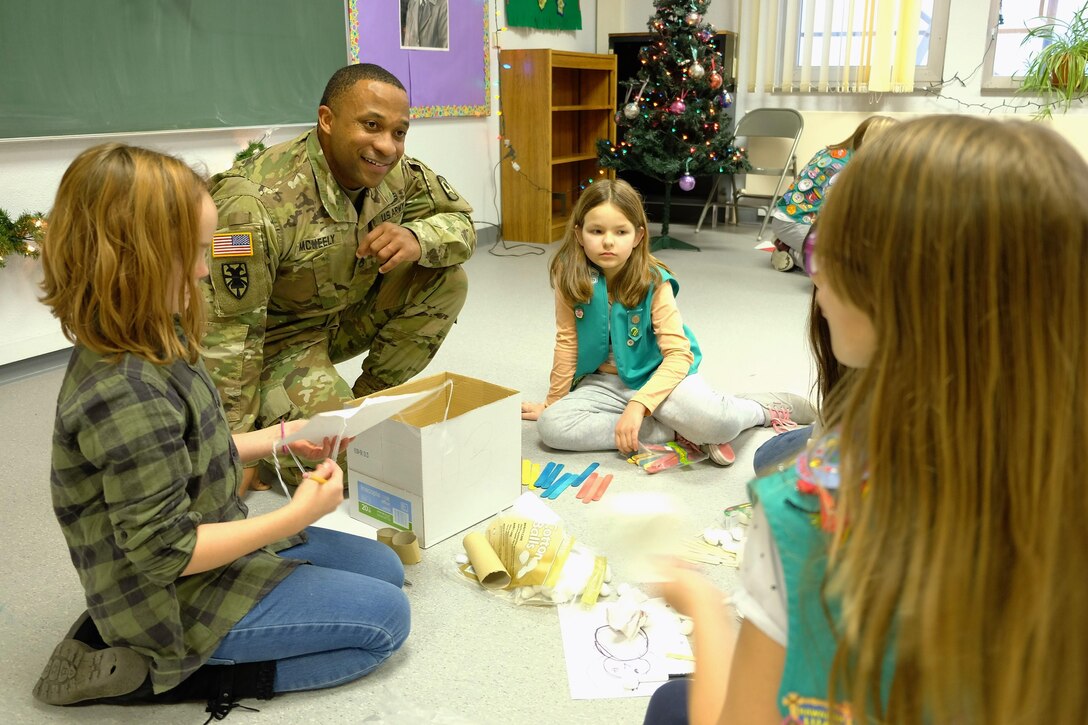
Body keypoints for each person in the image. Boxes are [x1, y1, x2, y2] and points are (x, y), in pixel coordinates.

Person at [644, 115, 1088, 724]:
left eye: (823, 250)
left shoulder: (809, 517)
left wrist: (701, 607)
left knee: (672, 702)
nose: (813, 276)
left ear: (897, 289)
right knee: (783, 449)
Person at [34, 144, 411, 711]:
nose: (207, 269)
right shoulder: (123, 390)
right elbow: (169, 553)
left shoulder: (155, 329)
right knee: (386, 622)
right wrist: (296, 516)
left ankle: (135, 636)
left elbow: (189, 449)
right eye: (192, 253)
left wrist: (284, 436)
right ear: (136, 260)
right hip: (169, 591)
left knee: (384, 568)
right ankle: (164, 674)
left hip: (200, 542)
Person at [201, 62, 475, 494]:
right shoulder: (255, 202)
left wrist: (418, 236)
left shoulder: (399, 176)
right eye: (371, 125)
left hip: (342, 315)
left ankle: (364, 403)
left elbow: (462, 225)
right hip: (276, 344)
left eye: (399, 132)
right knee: (348, 464)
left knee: (447, 279)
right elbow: (228, 337)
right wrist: (237, 449)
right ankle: (282, 427)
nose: (386, 146)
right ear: (327, 120)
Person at [520, 179, 816, 466]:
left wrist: (640, 404)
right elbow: (567, 342)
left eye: (620, 232)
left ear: (637, 236)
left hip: (660, 375)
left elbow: (679, 355)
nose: (608, 241)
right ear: (578, 234)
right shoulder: (569, 275)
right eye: (596, 231)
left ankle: (758, 409)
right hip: (603, 382)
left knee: (718, 424)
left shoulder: (654, 280)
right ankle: (679, 432)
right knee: (551, 427)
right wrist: (553, 401)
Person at [769, 115, 896, 273]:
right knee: (839, 271)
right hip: (795, 222)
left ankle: (795, 250)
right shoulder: (844, 167)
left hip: (801, 220)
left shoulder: (841, 153)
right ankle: (789, 251)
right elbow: (835, 214)